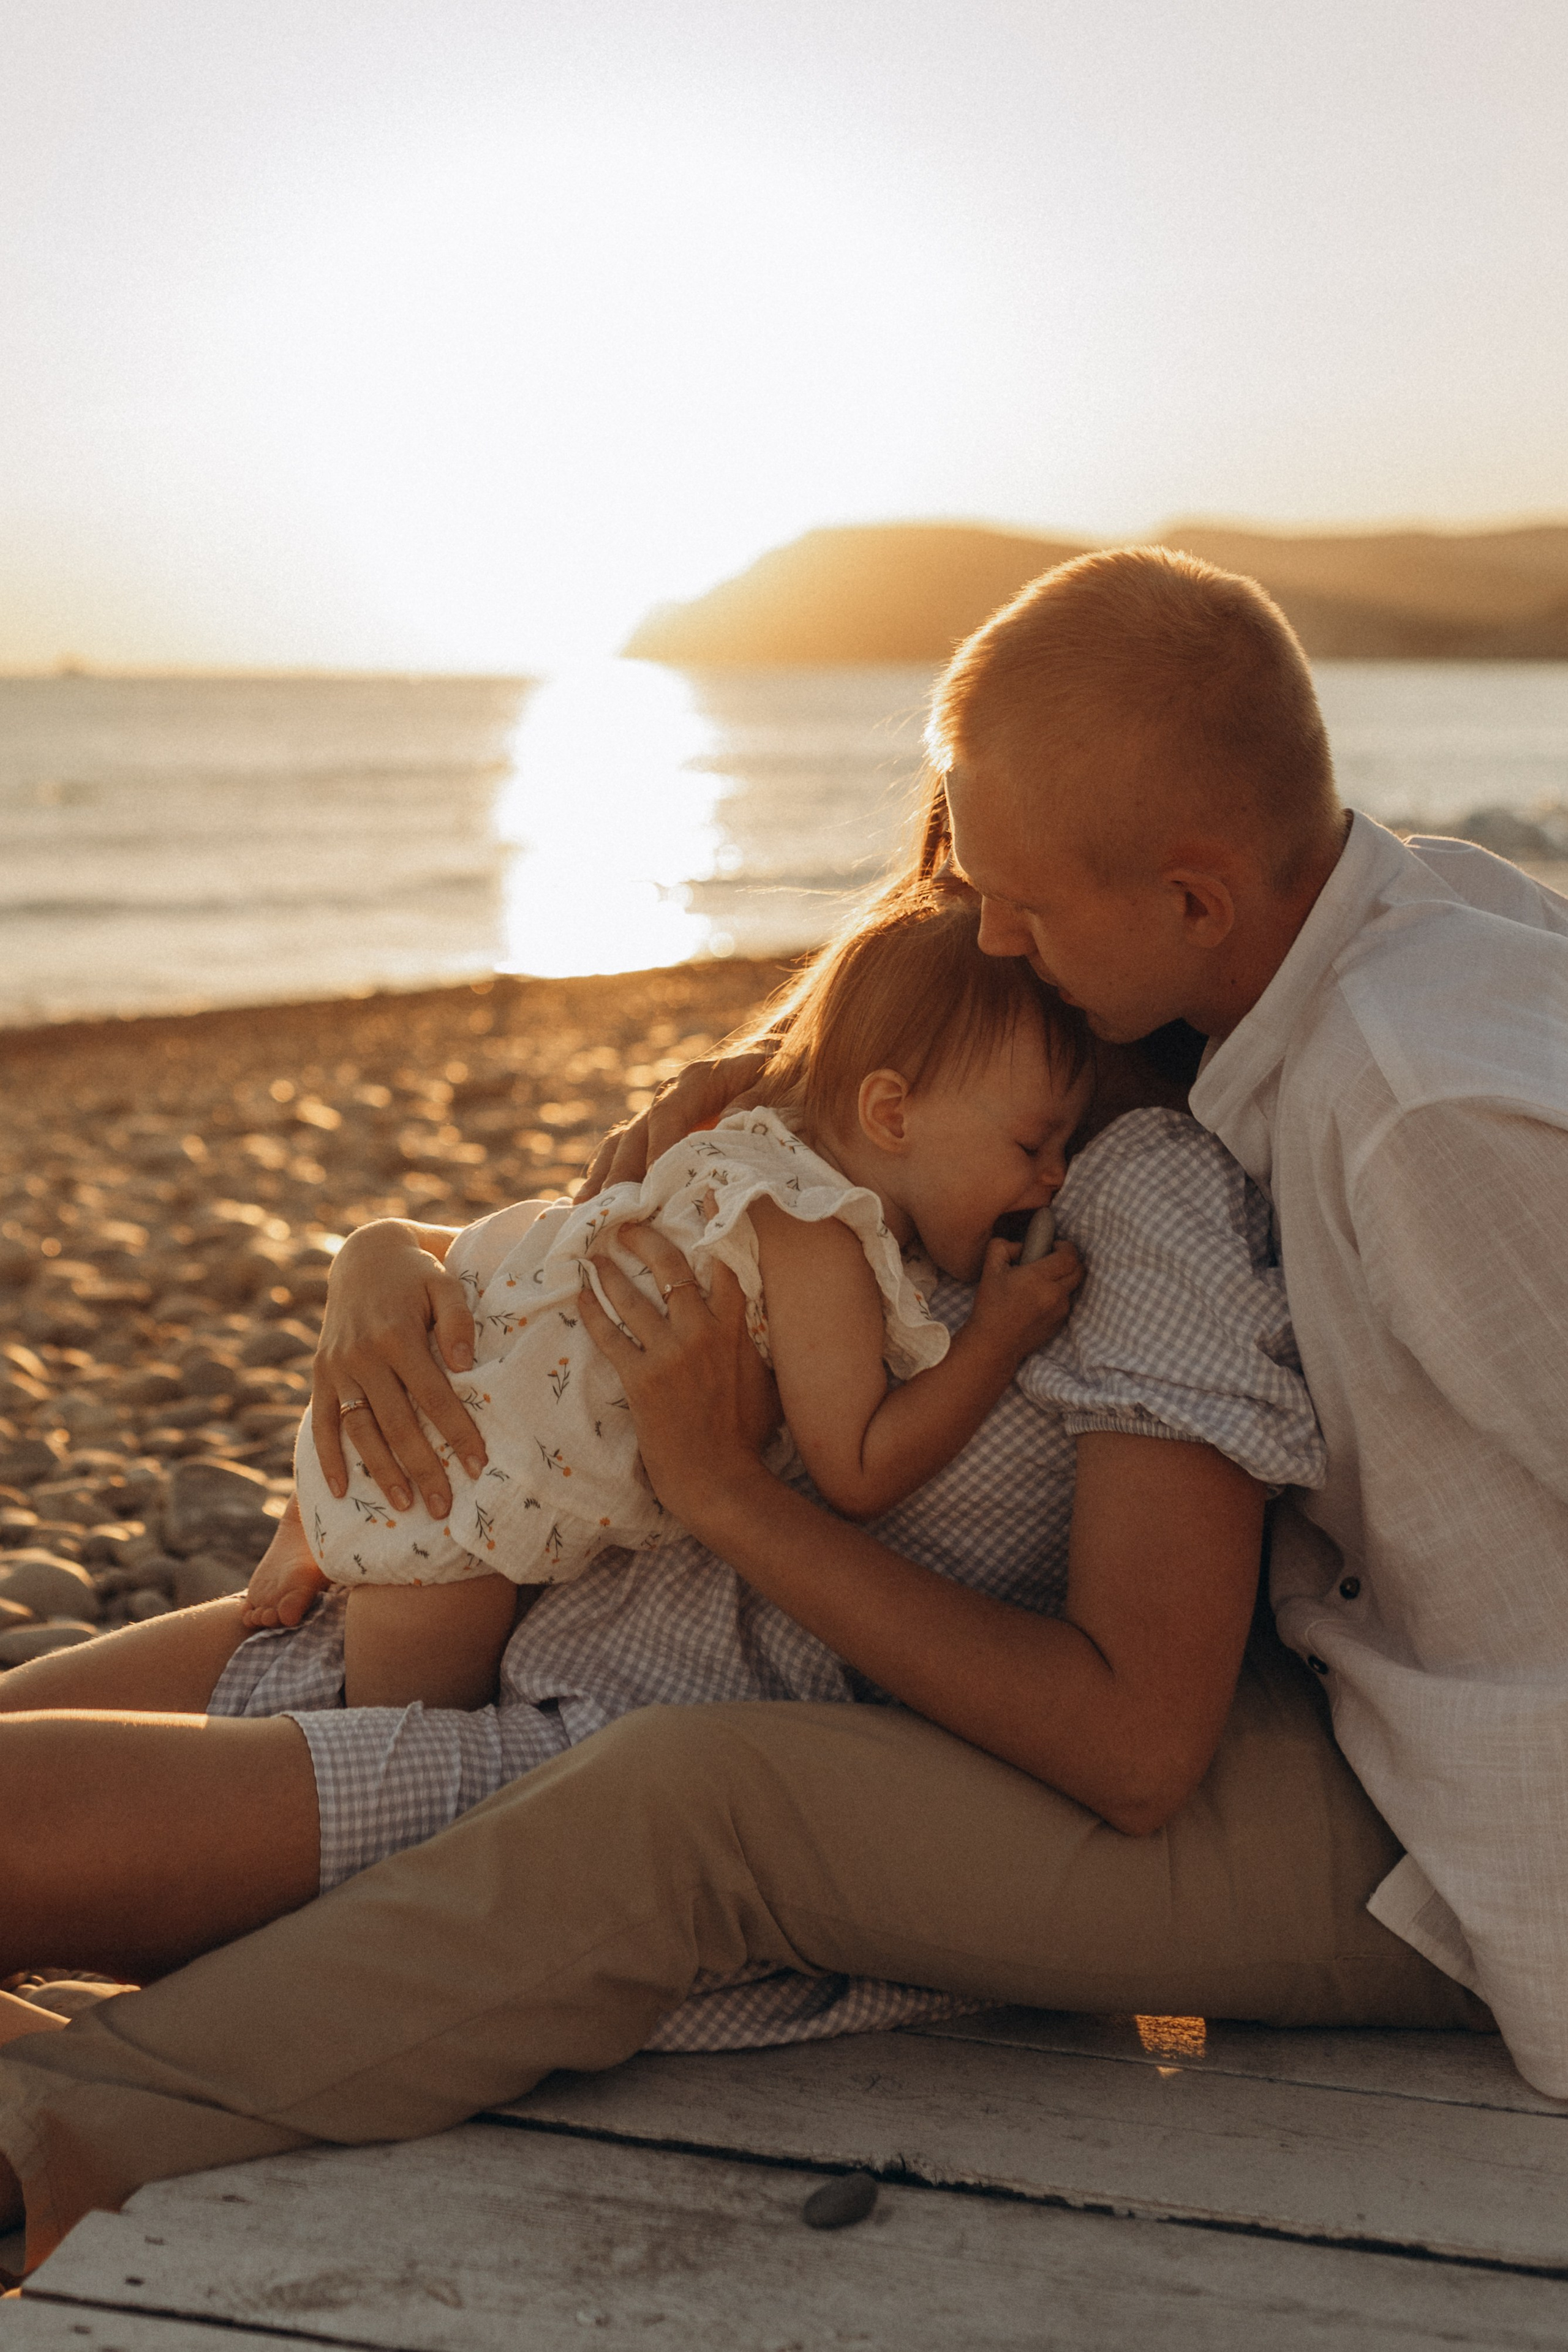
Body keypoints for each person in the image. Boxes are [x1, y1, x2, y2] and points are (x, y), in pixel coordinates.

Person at [3, 543, 1561, 2272]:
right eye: (964, 879)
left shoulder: (1327, 1133)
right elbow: (586, 1286)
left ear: (1188, 901)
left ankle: (45, 2150)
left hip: (1403, 1808)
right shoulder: (1033, 1053)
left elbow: (1136, 1731)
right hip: (560, 1611)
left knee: (654, 1811)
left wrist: (729, 1492)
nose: (979, 929)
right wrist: (391, 1259)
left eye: (1021, 903)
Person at [246, 881, 1092, 1711]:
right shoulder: (818, 1232)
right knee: (401, 1736)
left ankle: (315, 1518)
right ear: (891, 1114)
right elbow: (860, 1469)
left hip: (469, 1380)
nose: (1056, 1176)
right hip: (455, 1489)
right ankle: (334, 1534)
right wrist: (994, 1342)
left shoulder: (753, 1146)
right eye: (1032, 1145)